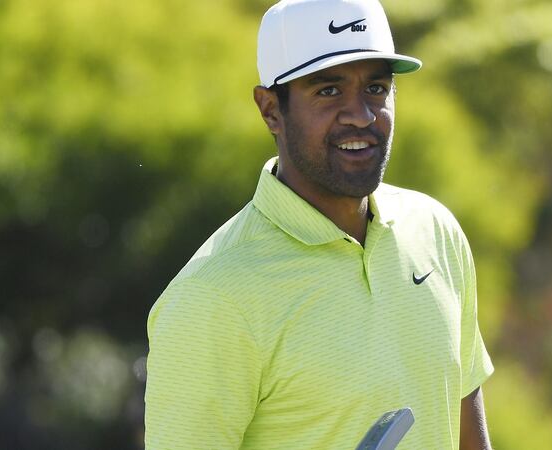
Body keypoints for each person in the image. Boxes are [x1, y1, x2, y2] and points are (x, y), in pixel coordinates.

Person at [144, 0, 495, 448]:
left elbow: (467, 432)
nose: (361, 115)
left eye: (376, 88)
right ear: (271, 109)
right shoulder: (211, 297)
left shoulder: (435, 231)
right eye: (328, 91)